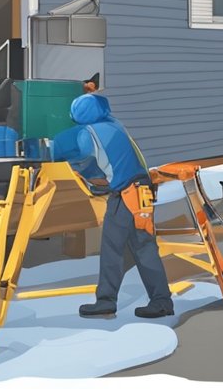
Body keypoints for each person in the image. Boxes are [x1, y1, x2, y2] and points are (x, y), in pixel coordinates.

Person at [50, 88, 174, 319]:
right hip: (141, 191)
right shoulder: (115, 125)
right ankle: (161, 301)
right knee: (144, 247)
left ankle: (106, 301)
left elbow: (69, 151)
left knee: (112, 248)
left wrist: (50, 148)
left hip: (126, 194)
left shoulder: (87, 134)